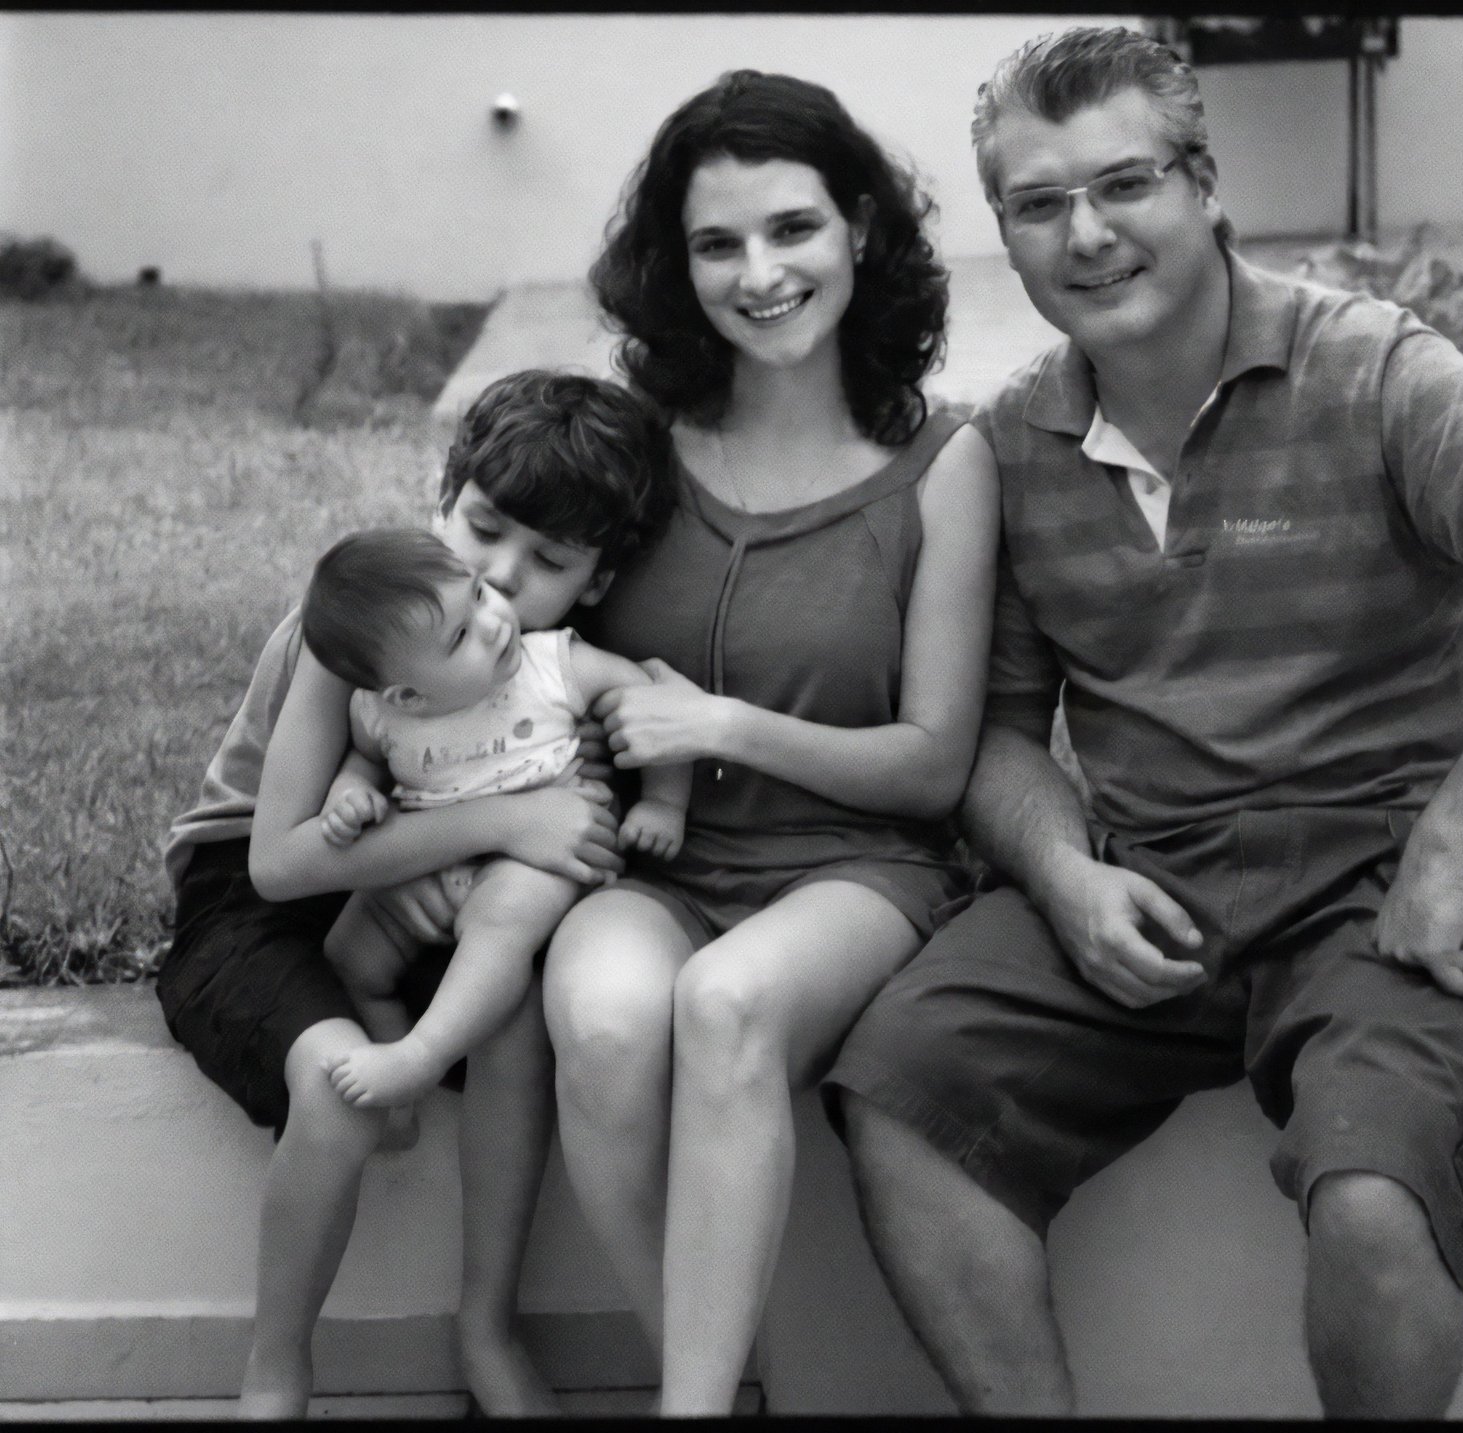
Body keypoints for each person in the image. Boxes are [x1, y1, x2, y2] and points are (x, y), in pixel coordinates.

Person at [824, 26, 1463, 1420]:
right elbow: (999, 733)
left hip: (1388, 882)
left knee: (1375, 1195)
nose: (1087, 235)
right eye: (1039, 205)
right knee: (902, 1083)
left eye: (1124, 185)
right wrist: (1065, 875)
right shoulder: (1015, 446)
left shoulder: (1371, 368)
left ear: (1204, 184)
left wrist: (1449, 847)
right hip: (1155, 882)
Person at [540, 70, 999, 1415]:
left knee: (727, 1005)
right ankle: (718, 1387)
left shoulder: (944, 465)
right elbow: (500, 617)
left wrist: (724, 724)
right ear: (675, 268)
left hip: (855, 867)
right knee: (608, 1022)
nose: (761, 274)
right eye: (717, 243)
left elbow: (934, 763)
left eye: (793, 228)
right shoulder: (630, 449)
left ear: (860, 226)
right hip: (652, 861)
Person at [157, 368, 665, 1418]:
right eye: (483, 528)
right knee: (338, 1087)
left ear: (596, 581)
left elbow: (565, 790)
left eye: (549, 561)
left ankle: (486, 1325)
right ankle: (277, 1368)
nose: (501, 575)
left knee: (513, 1018)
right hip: (257, 897)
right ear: (445, 494)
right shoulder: (363, 627)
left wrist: (484, 848)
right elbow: (280, 860)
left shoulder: (536, 659)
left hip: (421, 878)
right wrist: (497, 828)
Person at [292, 526, 691, 1135]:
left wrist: (663, 803)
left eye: (477, 593)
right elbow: (365, 761)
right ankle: (397, 1091)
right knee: (350, 955)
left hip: (544, 850)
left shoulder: (552, 665)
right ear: (407, 696)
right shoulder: (377, 713)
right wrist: (350, 794)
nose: (495, 622)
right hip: (435, 855)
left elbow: (650, 703)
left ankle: (422, 1054)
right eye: (459, 636)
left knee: (498, 925)